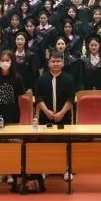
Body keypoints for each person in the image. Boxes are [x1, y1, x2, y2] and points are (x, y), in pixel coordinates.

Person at [33, 52, 76, 182]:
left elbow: (70, 99)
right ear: (49, 63)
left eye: (58, 61)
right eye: (53, 61)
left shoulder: (69, 79)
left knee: (64, 143)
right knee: (45, 143)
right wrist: (47, 112)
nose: (55, 64)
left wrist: (61, 113)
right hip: (46, 117)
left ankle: (66, 168)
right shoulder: (41, 79)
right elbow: (38, 98)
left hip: (64, 117)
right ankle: (45, 168)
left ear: (62, 63)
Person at [0, 50, 24, 186]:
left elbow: (20, 98)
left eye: (7, 60)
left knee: (11, 144)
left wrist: (19, 115)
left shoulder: (17, 78)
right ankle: (0, 172)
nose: (4, 63)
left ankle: (10, 172)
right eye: (2, 60)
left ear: (12, 62)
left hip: (13, 114)